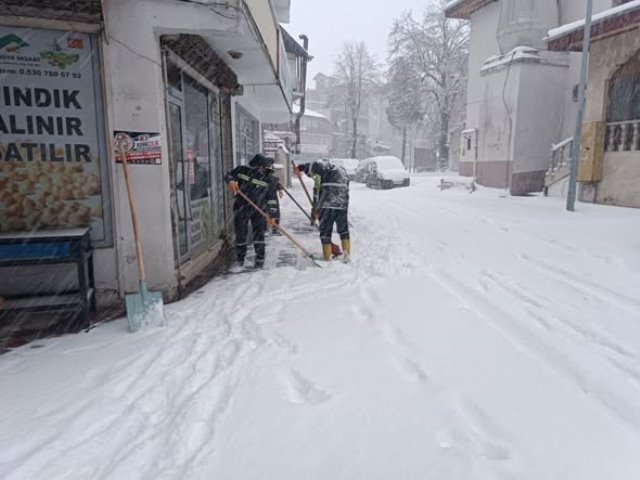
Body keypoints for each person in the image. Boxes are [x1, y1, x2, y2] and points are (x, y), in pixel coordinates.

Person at [225, 154, 279, 269]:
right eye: (262, 168)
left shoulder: (268, 178)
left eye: (265, 168)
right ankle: (240, 258)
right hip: (241, 206)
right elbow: (229, 175)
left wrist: (273, 215)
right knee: (240, 234)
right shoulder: (242, 170)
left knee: (259, 234)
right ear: (256, 166)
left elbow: (272, 198)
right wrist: (230, 181)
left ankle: (260, 260)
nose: (263, 170)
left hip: (259, 209)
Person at [296, 160, 350, 261]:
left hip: (328, 204)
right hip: (342, 205)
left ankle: (327, 257)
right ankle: (347, 254)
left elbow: (313, 165)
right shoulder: (343, 172)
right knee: (343, 230)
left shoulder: (325, 166)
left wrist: (300, 167)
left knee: (325, 231)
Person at [265, 157, 284, 234]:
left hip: (270, 196)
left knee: (273, 212)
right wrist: (277, 185)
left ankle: (273, 228)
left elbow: (275, 182)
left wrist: (279, 188)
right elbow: (272, 182)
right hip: (269, 196)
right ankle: (273, 229)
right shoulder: (267, 176)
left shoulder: (271, 176)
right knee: (272, 212)